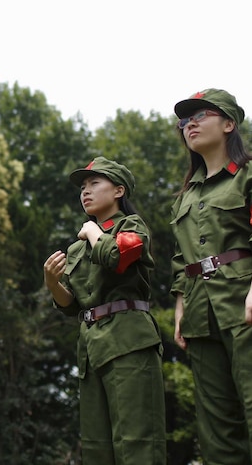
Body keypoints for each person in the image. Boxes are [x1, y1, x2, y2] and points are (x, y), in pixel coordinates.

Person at [170, 88, 252, 464]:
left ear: (228, 124)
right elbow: (182, 259)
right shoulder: (185, 197)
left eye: (200, 115)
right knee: (215, 423)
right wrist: (180, 309)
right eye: (184, 120)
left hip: (247, 301)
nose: (189, 124)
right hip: (199, 314)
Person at [43, 156, 166, 464]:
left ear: (119, 191)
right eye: (83, 186)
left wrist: (94, 232)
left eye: (95, 183)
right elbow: (71, 305)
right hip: (91, 346)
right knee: (97, 446)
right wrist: (52, 282)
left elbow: (118, 255)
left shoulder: (131, 226)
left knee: (137, 442)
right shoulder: (77, 248)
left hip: (128, 339)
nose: (86, 191)